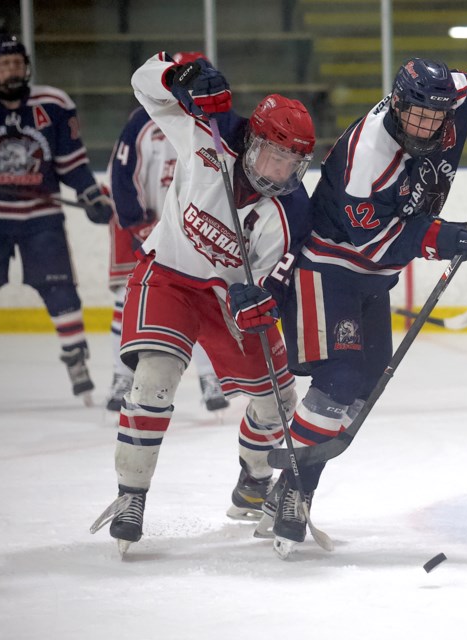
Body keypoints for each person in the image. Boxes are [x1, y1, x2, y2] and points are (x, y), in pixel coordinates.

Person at [248, 44, 467, 558]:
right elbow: (375, 240)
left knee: (363, 390)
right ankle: (295, 492)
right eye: (419, 115)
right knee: (339, 381)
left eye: (438, 116)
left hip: (375, 279)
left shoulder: (447, 100)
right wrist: (445, 238)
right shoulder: (368, 157)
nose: (430, 126)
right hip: (330, 267)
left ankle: (284, 485)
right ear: (396, 103)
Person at [90, 52, 317, 554]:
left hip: (225, 301)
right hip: (169, 275)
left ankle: (254, 476)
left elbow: (276, 281)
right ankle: (131, 496)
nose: (277, 171)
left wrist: (263, 301)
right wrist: (182, 73)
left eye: (290, 163)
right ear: (252, 140)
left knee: (278, 401)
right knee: (153, 379)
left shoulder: (290, 212)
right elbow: (144, 84)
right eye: (270, 156)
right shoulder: (207, 132)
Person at [0, 31, 113, 404]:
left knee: (60, 290)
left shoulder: (53, 104)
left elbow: (71, 161)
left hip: (40, 215)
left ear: (26, 67)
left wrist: (90, 194)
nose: (11, 70)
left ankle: (77, 362)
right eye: (3, 64)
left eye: (16, 63)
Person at [104, 51, 229, 414]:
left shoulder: (212, 124)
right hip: (142, 226)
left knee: (203, 300)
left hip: (189, 230)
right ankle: (121, 375)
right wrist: (138, 223)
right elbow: (122, 176)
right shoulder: (142, 122)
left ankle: (210, 375)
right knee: (126, 301)